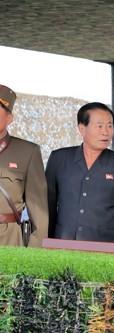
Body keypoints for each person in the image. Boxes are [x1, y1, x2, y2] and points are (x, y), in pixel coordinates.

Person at [46, 102, 114, 243]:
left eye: (110, 126)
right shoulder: (59, 159)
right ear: (82, 128)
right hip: (63, 245)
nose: (106, 132)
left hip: (106, 249)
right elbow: (47, 205)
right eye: (99, 126)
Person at [0, 84, 48, 247]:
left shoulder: (28, 152)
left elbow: (38, 210)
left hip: (8, 240)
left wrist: (34, 255)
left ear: (9, 118)